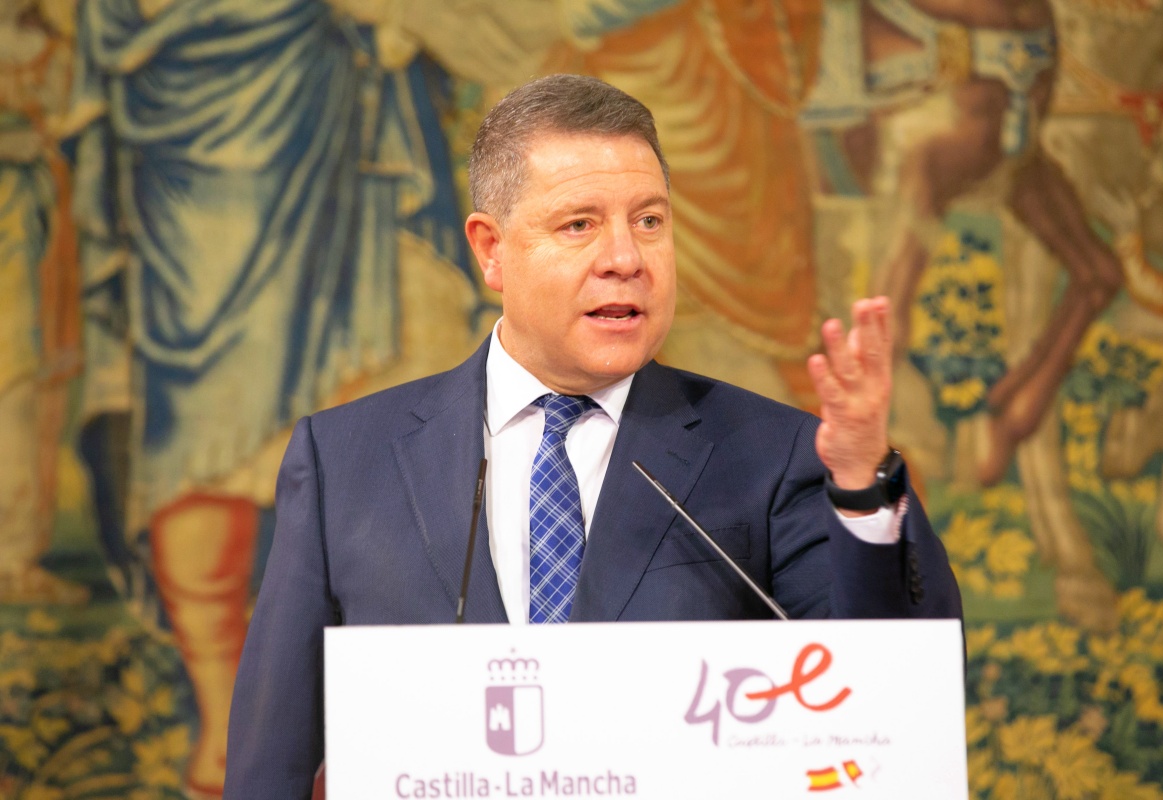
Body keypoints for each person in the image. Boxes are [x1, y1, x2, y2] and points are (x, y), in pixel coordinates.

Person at [224, 74, 962, 799]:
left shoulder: (772, 455)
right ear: (491, 250)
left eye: (650, 221)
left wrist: (862, 486)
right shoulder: (345, 462)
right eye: (580, 224)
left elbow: (891, 706)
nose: (627, 258)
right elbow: (272, 761)